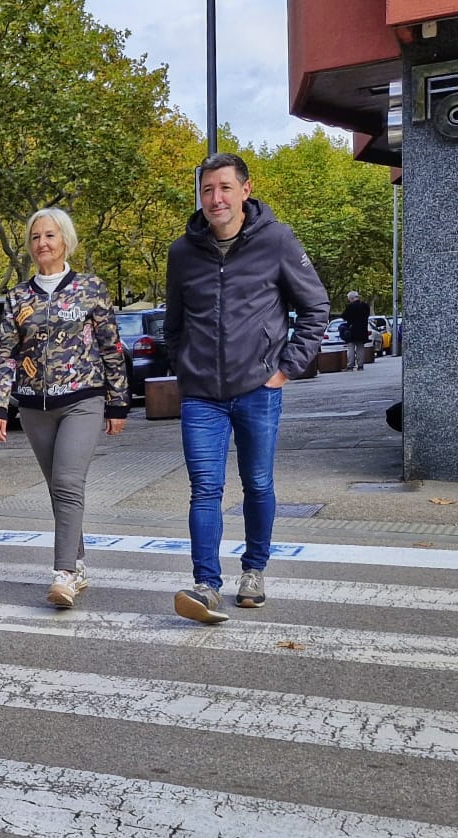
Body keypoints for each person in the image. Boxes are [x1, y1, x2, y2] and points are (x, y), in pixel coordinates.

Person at [164, 152, 329, 624]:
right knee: (204, 489)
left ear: (245, 190)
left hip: (258, 388)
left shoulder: (275, 241)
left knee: (257, 483)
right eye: (207, 190)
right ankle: (206, 584)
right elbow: (173, 325)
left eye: (224, 188)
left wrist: (284, 369)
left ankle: (254, 570)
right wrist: (185, 370)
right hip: (201, 396)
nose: (215, 198)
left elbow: (316, 308)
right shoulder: (182, 253)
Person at [0, 207, 129, 607]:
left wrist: (119, 402)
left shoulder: (90, 288)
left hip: (83, 399)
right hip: (33, 408)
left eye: (49, 236)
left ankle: (63, 573)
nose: (42, 243)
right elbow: (5, 354)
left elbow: (111, 348)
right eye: (35, 237)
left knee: (68, 482)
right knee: (58, 487)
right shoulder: (18, 297)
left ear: (65, 239)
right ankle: (78, 563)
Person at [340, 290, 372, 371]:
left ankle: (350, 365)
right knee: (360, 348)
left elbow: (344, 316)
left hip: (352, 330)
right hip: (362, 329)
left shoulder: (350, 307)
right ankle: (360, 365)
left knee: (351, 347)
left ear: (351, 298)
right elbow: (367, 315)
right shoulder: (365, 306)